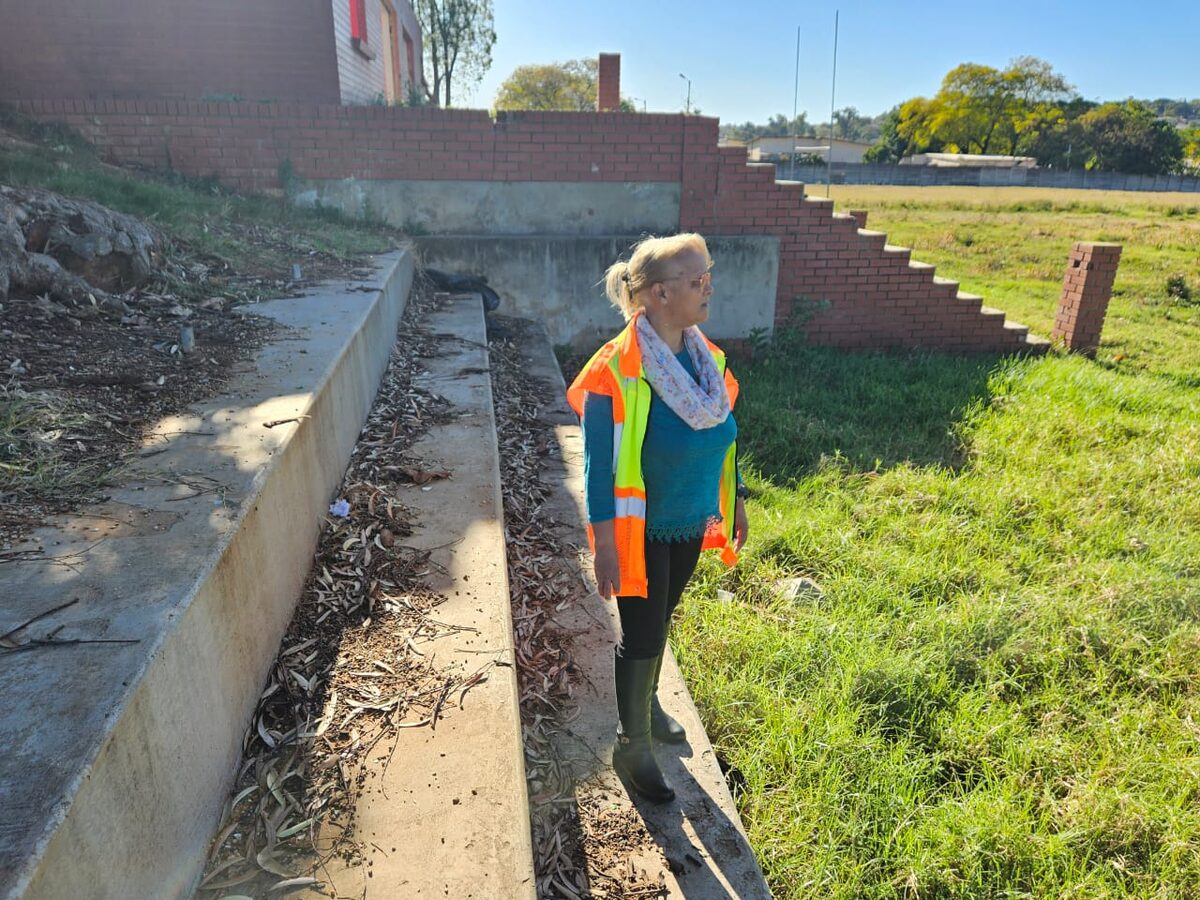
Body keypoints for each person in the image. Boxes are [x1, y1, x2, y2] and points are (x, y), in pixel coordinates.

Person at [566, 233, 749, 803]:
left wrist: (735, 496)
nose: (708, 286)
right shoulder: (615, 372)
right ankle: (632, 745)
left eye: (708, 275)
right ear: (659, 295)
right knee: (643, 634)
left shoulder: (705, 358)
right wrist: (605, 543)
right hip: (638, 529)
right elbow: (598, 470)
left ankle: (645, 708)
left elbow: (723, 439)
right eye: (697, 280)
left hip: (691, 519)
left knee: (664, 613)